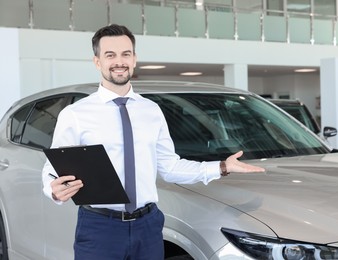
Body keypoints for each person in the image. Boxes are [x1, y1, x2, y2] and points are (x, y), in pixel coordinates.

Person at [42, 24, 265, 260]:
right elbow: (53, 169)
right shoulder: (76, 114)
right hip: (99, 227)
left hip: (147, 227)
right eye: (110, 55)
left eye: (125, 54)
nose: (120, 61)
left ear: (135, 59)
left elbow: (170, 167)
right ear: (97, 61)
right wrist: (53, 190)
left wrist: (222, 167)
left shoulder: (151, 111)